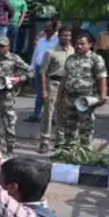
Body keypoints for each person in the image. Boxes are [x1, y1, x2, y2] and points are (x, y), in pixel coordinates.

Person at [56, 31, 108, 152]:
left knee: (86, 128)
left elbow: (102, 77)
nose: (79, 46)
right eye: (77, 43)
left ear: (90, 44)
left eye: (82, 44)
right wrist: (59, 98)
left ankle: (85, 152)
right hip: (69, 99)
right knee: (69, 127)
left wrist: (103, 96)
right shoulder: (70, 59)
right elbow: (65, 79)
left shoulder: (96, 59)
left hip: (85, 100)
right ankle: (69, 152)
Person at [0, 36, 29, 155]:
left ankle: (10, 150)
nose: (0, 49)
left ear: (8, 47)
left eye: (3, 46)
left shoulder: (14, 59)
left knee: (9, 122)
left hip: (6, 95)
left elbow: (29, 71)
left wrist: (18, 79)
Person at [38, 26, 74, 154]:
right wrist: (44, 90)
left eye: (69, 36)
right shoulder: (51, 52)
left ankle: (59, 141)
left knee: (63, 113)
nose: (67, 38)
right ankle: (45, 141)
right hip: (53, 83)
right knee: (48, 113)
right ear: (59, 36)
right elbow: (42, 72)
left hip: (67, 85)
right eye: (64, 35)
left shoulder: (73, 52)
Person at [26, 21, 59, 123]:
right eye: (46, 28)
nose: (47, 30)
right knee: (40, 92)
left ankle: (52, 117)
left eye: (49, 28)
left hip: (50, 69)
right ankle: (37, 114)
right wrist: (31, 68)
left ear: (54, 29)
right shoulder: (41, 41)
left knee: (51, 94)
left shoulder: (57, 41)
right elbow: (36, 55)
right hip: (39, 68)